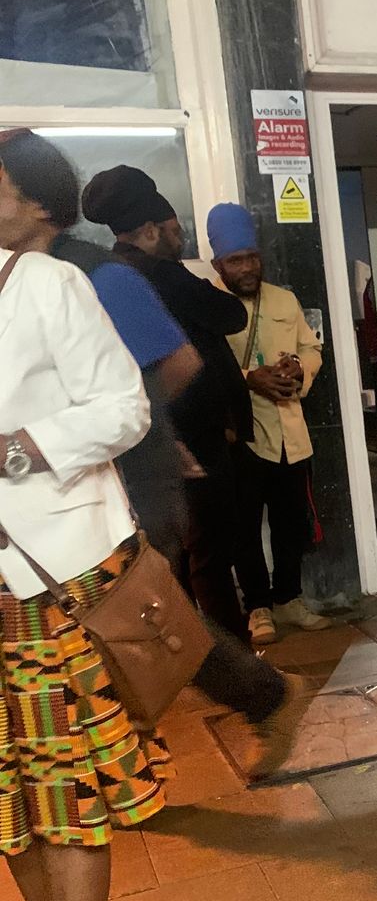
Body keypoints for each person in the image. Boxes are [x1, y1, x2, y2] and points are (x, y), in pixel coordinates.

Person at [0, 132, 298, 769]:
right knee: (135, 618)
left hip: (131, 478)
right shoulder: (20, 279)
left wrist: (150, 436)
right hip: (71, 485)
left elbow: (178, 364)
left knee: (143, 615)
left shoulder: (97, 275)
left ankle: (247, 702)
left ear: (37, 203)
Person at [0, 219, 165, 901]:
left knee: (61, 791)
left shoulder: (42, 285)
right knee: (7, 799)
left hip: (48, 584)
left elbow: (124, 408)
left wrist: (13, 448)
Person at [80, 167, 253, 646]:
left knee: (179, 559)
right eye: (176, 232)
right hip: (188, 441)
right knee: (209, 559)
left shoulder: (108, 273)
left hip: (158, 440)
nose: (181, 241)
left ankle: (194, 660)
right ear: (152, 230)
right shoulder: (157, 274)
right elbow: (231, 314)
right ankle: (232, 662)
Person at [208, 203, 330, 645]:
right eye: (235, 261)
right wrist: (249, 379)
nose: (247, 268)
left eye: (252, 258)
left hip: (290, 433)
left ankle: (289, 598)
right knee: (244, 527)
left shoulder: (283, 300)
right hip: (242, 436)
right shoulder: (206, 304)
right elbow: (201, 368)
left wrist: (300, 367)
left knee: (291, 523)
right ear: (218, 265)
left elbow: (311, 349)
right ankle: (258, 607)